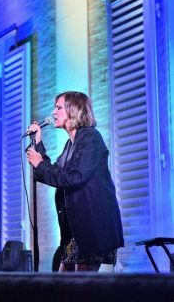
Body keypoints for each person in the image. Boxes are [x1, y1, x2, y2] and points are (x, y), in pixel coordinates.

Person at [26, 91, 124, 272]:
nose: (53, 112)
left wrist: (40, 164)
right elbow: (54, 173)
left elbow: (74, 177)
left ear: (74, 110)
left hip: (92, 226)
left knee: (81, 288)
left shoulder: (91, 138)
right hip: (75, 230)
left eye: (58, 107)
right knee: (65, 284)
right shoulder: (70, 145)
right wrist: (38, 143)